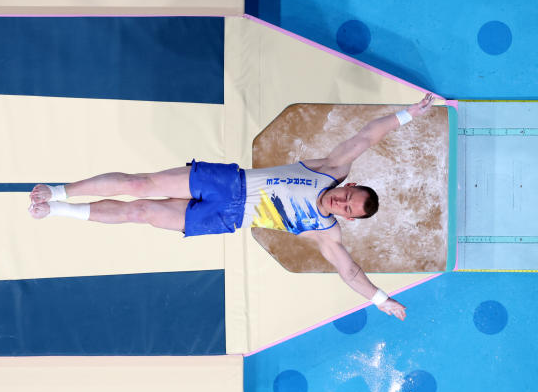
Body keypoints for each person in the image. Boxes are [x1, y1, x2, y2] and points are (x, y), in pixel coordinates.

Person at [29, 94, 436, 320]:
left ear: (347, 218)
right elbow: (367, 136)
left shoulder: (326, 232)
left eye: (347, 209)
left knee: (142, 212)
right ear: (350, 185)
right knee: (140, 185)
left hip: (227, 217)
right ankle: (60, 191)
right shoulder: (331, 168)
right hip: (228, 182)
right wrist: (408, 115)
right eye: (348, 196)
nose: (341, 202)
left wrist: (381, 299)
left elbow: (350, 271)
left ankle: (56, 211)